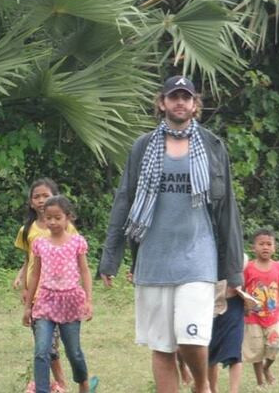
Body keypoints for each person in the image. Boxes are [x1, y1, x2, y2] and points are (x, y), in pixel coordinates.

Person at [98, 75, 244, 393]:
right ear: (162, 103)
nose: (180, 102)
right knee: (162, 346)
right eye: (173, 96)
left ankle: (202, 385)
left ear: (194, 105)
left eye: (186, 97)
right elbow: (125, 200)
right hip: (153, 257)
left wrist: (233, 271)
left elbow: (227, 210)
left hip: (198, 256)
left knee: (191, 336)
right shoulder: (143, 147)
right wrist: (111, 258)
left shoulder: (212, 146)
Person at [23, 196, 98, 393]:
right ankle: (42, 390)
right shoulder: (39, 243)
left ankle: (83, 382)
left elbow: (85, 271)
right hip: (46, 302)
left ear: (68, 218)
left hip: (71, 302)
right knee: (42, 351)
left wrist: (88, 300)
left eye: (57, 217)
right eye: (48, 218)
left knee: (74, 352)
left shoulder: (76, 242)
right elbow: (35, 274)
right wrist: (28, 306)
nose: (53, 222)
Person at [12, 178, 77, 393]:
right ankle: (53, 385)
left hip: (61, 295)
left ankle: (61, 383)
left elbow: (76, 257)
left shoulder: (66, 228)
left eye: (45, 196)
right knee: (44, 344)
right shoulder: (27, 229)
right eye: (36, 197)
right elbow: (29, 259)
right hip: (37, 295)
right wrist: (23, 284)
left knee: (54, 345)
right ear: (31, 203)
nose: (41, 200)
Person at [242, 229, 279, 387]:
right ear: (253, 247)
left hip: (272, 316)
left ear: (274, 248)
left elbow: (278, 291)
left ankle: (266, 368)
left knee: (276, 345)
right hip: (252, 317)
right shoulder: (247, 268)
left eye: (269, 244)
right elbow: (242, 290)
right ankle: (260, 382)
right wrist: (244, 308)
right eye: (261, 244)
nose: (265, 247)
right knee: (257, 351)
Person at [207, 254, 248, 393]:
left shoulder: (241, 257)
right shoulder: (204, 252)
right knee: (209, 353)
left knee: (235, 352)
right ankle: (212, 389)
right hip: (209, 307)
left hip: (234, 306)